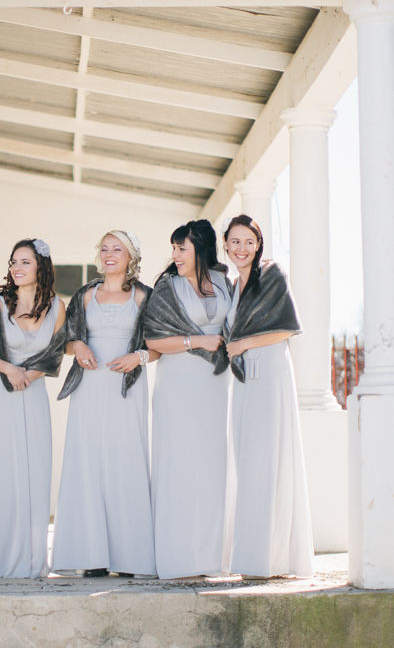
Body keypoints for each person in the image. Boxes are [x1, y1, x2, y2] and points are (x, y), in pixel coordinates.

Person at [52, 230, 157, 578]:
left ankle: (128, 556)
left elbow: (159, 344)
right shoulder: (84, 295)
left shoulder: (144, 296)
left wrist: (138, 357)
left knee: (125, 461)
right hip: (90, 387)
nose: (110, 255)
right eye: (105, 249)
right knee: (89, 463)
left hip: (126, 389)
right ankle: (92, 555)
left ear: (131, 257)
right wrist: (78, 347)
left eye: (118, 249)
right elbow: (65, 341)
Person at [0, 238, 66, 578]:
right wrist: (10, 369)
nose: (17, 268)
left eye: (24, 261)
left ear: (40, 266)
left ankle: (30, 558)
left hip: (33, 394)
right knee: (3, 475)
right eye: (13, 262)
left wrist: (29, 375)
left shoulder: (56, 306)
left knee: (32, 472)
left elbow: (55, 354)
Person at [223, 214, 314, 578]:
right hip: (243, 379)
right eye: (235, 241)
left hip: (270, 372)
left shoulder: (272, 274)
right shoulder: (232, 286)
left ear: (258, 244)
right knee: (247, 462)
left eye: (249, 241)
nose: (242, 248)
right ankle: (249, 554)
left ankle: (271, 557)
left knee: (269, 460)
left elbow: (286, 329)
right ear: (226, 245)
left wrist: (243, 343)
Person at [143, 219, 232, 579]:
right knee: (179, 465)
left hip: (216, 384)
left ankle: (212, 558)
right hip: (178, 383)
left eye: (183, 248)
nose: (176, 255)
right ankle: (178, 557)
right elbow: (152, 341)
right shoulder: (168, 287)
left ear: (201, 248)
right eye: (174, 248)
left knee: (213, 467)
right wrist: (198, 341)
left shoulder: (225, 282)